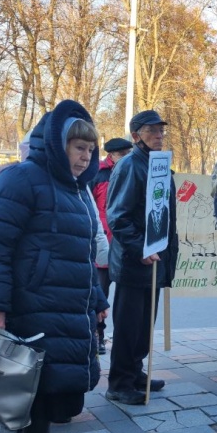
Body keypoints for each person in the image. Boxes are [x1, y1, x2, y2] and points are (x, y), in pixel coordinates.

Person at [0, 100, 108, 433]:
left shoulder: (77, 187)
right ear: (56, 144)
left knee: (44, 390)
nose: (85, 157)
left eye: (90, 149)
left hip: (66, 304)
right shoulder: (22, 177)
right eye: (78, 148)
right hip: (33, 305)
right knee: (39, 391)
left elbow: (84, 253)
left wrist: (99, 300)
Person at [106, 110, 178, 405]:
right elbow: (118, 217)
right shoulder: (129, 166)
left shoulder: (158, 164)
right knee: (128, 325)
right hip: (134, 262)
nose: (159, 136)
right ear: (136, 136)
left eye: (161, 130)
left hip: (154, 260)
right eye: (152, 131)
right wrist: (141, 248)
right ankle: (119, 382)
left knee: (144, 324)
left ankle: (135, 372)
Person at [90, 137, 133, 353]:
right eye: (122, 154)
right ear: (112, 155)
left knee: (126, 300)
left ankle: (124, 341)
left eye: (128, 153)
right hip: (104, 244)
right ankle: (98, 335)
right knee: (100, 295)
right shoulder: (98, 174)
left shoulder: (132, 171)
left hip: (126, 243)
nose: (127, 157)